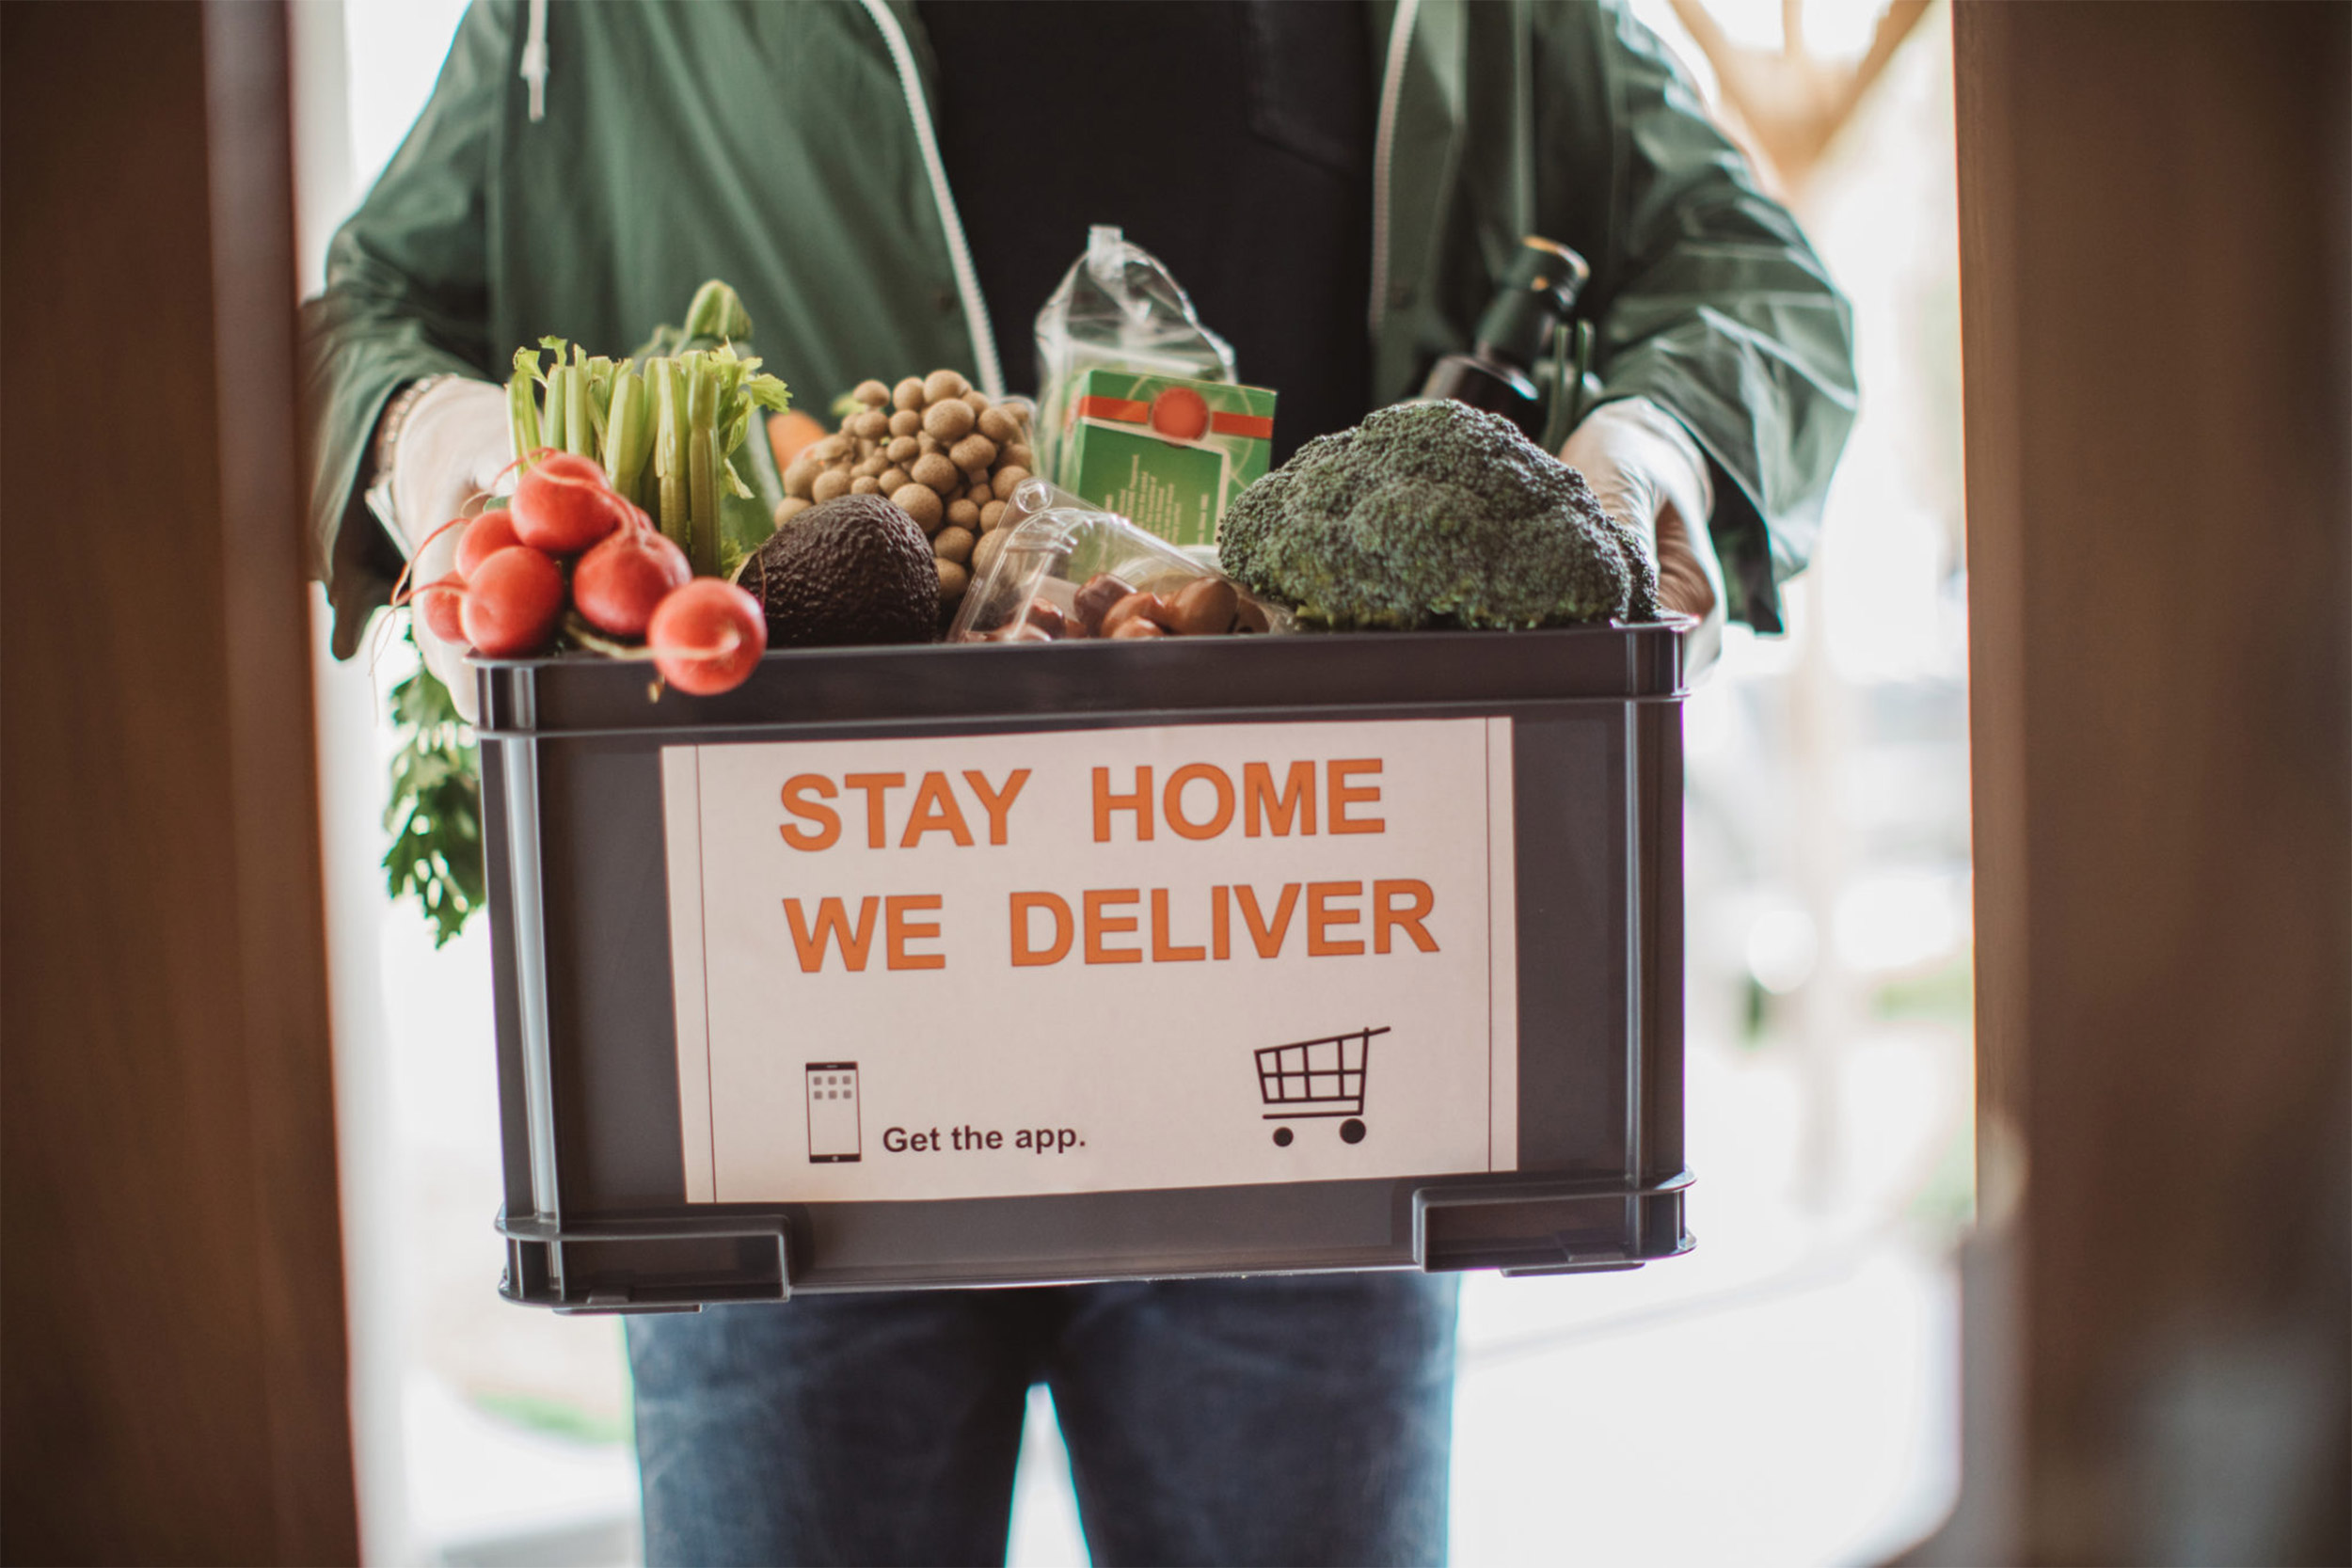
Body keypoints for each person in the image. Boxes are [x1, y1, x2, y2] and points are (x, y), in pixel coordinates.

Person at [303, 3, 1853, 1561]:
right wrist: (445, 455)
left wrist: (1661, 451)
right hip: (783, 1061)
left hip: (1309, 1060)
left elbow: (1759, 287)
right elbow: (355, 307)